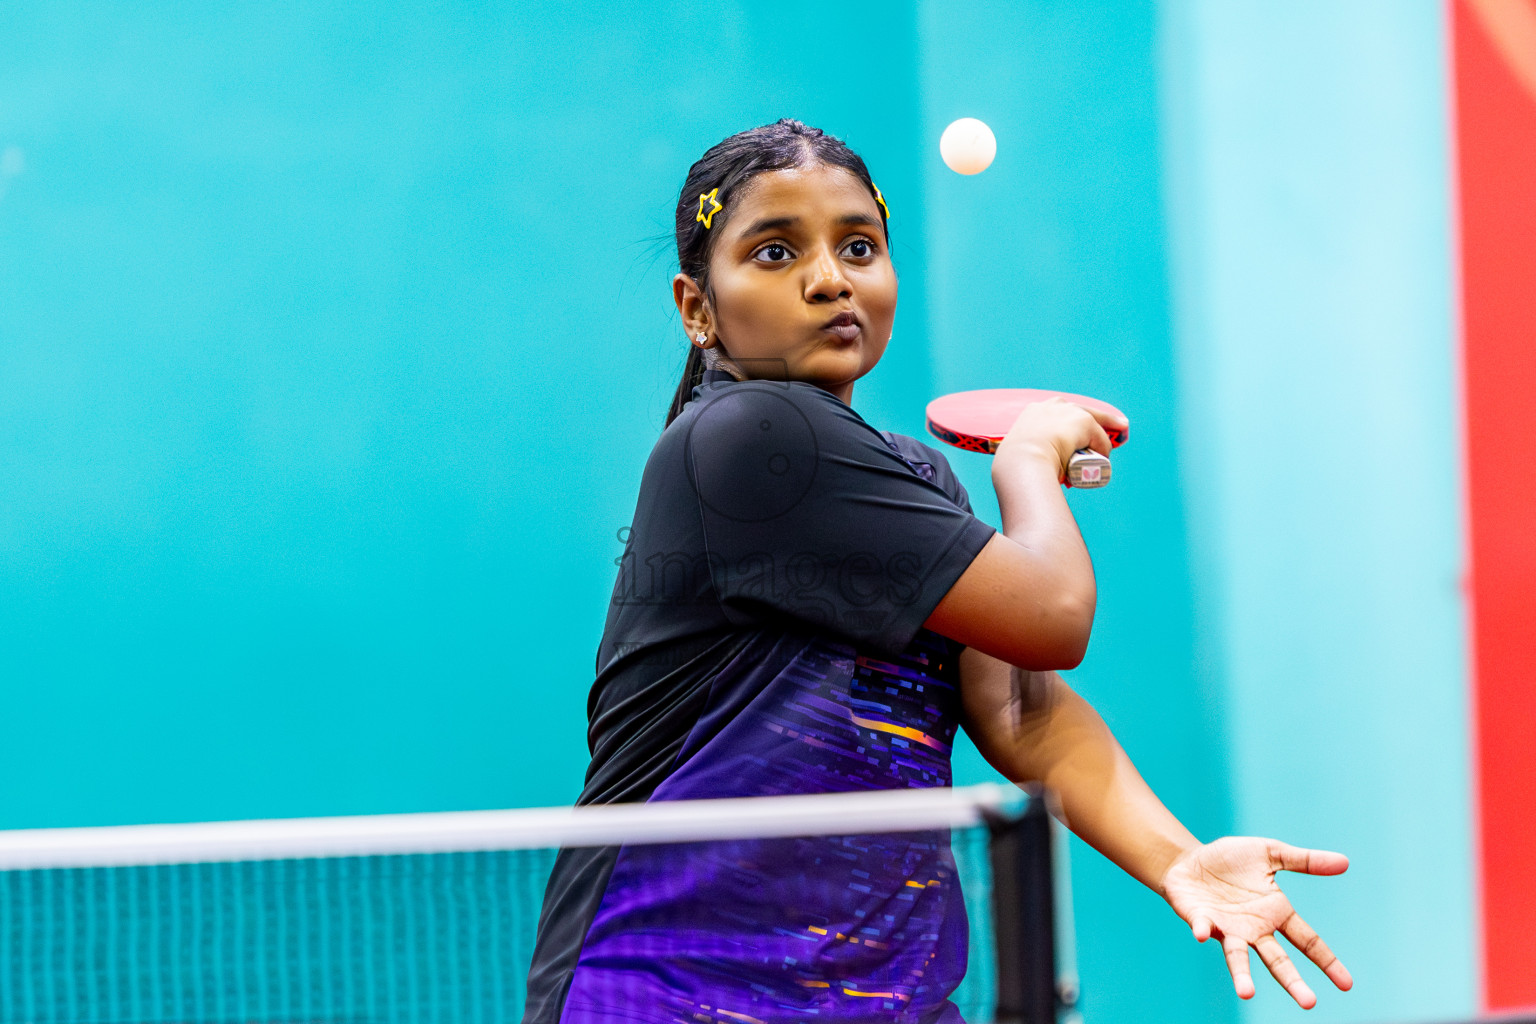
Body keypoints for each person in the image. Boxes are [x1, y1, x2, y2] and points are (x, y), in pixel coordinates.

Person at [523, 119, 1351, 1024]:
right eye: (773, 251)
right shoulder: (750, 437)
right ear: (697, 306)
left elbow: (1019, 710)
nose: (829, 277)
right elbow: (1056, 614)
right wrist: (1028, 461)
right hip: (680, 993)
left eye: (858, 246)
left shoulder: (911, 475)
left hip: (875, 999)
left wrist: (1175, 857)